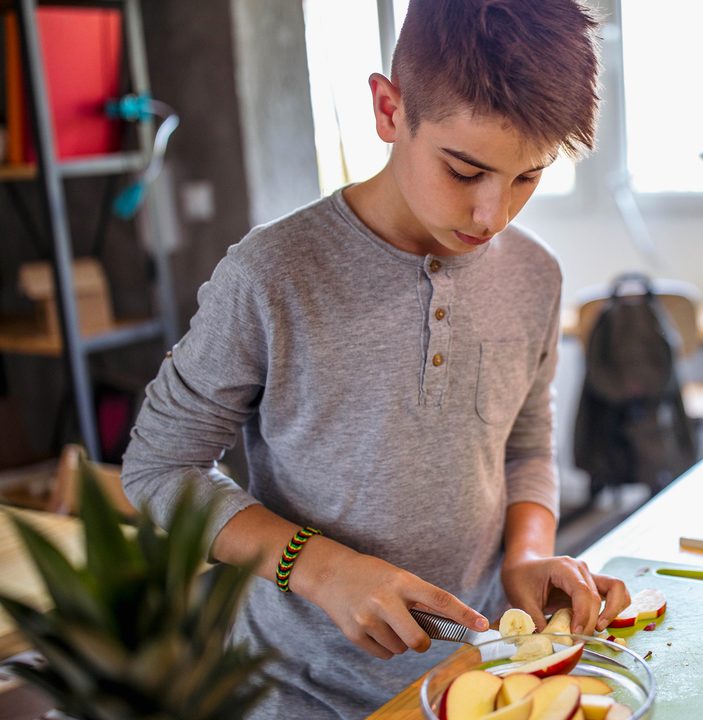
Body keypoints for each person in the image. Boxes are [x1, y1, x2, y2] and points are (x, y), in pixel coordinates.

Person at [122, 0, 630, 716]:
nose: (493, 216)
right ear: (389, 110)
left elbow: (525, 444)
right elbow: (157, 470)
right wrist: (320, 568)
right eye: (464, 170)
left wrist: (528, 555)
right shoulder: (271, 275)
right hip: (301, 690)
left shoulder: (535, 275)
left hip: (478, 674)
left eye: (527, 178)